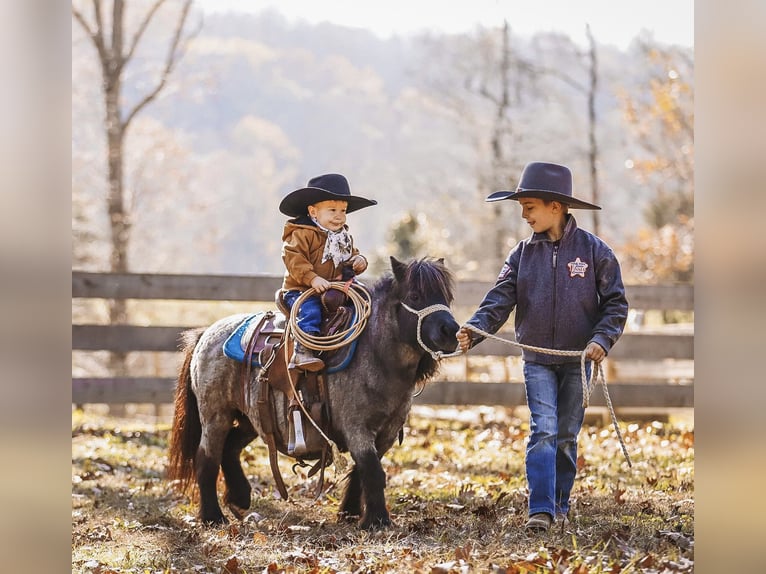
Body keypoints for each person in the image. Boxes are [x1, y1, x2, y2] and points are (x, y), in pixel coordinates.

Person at [456, 161, 628, 533]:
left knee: (566, 435)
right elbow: (499, 299)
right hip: (537, 359)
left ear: (556, 206)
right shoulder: (521, 255)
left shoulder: (595, 252)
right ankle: (541, 510)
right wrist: (476, 328)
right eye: (521, 208)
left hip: (577, 359)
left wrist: (601, 339)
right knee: (544, 429)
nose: (524, 215)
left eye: (529, 207)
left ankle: (560, 504)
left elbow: (615, 303)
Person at [278, 173, 377, 371]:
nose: (339, 216)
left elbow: (351, 255)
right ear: (313, 212)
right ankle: (302, 350)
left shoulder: (342, 237)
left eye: (343, 210)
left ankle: (369, 347)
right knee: (310, 310)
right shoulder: (301, 233)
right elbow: (293, 259)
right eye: (332, 210)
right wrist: (312, 278)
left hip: (335, 287)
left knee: (369, 302)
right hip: (301, 289)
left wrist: (359, 261)